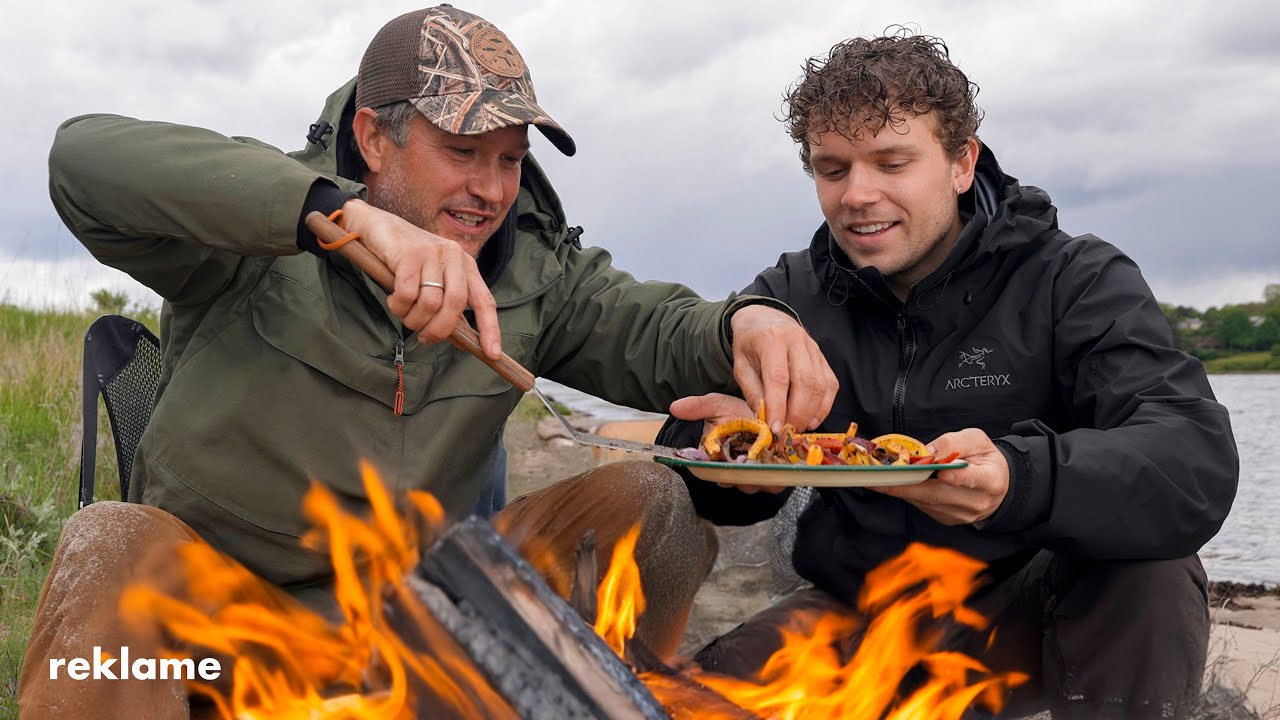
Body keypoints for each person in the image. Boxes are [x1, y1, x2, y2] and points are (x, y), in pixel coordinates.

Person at [20, 6, 839, 718]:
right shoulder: (256, 232)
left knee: (651, 497)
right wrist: (336, 219)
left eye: (510, 160)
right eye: (463, 151)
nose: (491, 189)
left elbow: (660, 328)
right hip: (235, 634)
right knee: (110, 541)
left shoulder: (534, 274)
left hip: (433, 627)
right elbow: (82, 163)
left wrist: (747, 323)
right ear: (374, 138)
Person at [659, 30, 1239, 719]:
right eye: (833, 168)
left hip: (1022, 613)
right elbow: (720, 473)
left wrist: (1019, 481)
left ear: (962, 162)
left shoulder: (1074, 280)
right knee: (681, 702)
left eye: (891, 162)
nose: (858, 195)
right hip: (860, 614)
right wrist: (718, 454)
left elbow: (1192, 460)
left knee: (1153, 567)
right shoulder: (791, 296)